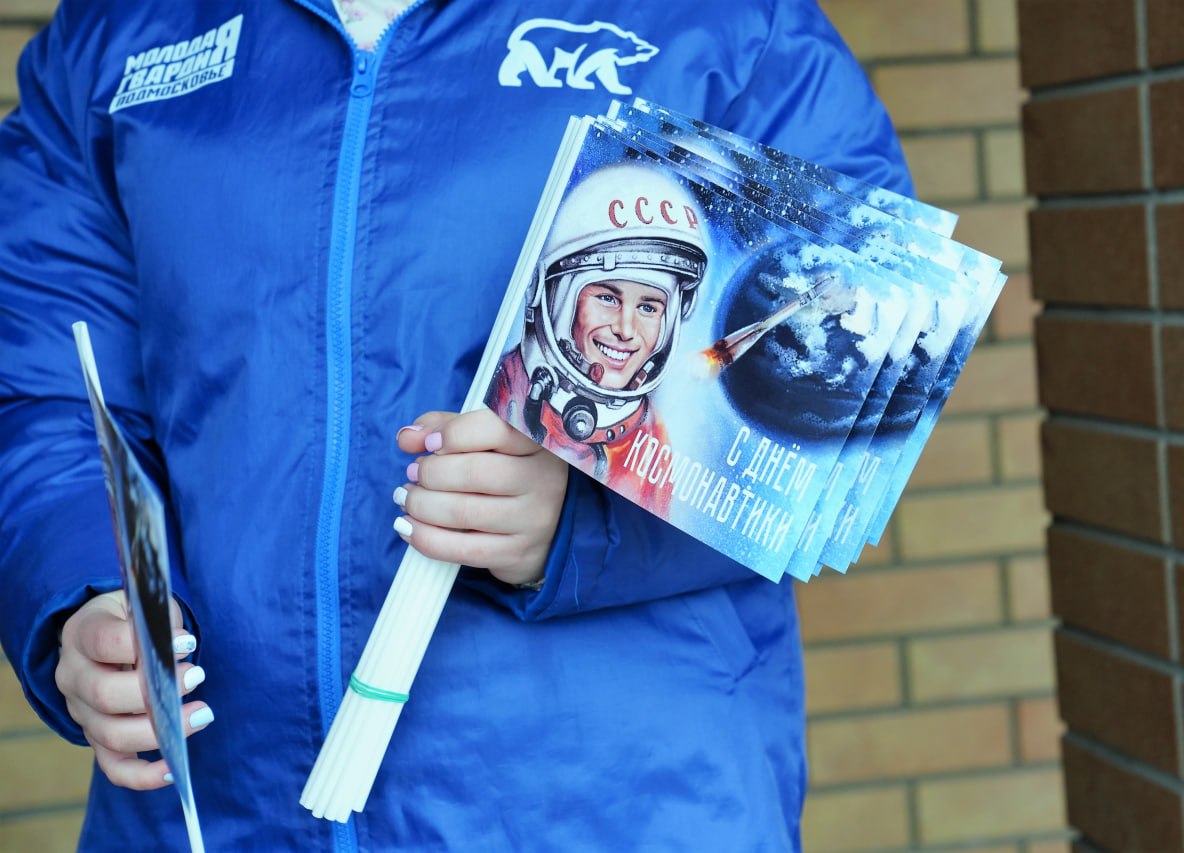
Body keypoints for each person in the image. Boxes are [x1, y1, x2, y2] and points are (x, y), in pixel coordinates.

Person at [0, 1, 913, 850]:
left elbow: (864, 366)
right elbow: (46, 388)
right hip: (223, 810)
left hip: (620, 807)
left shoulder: (725, 23)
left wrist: (590, 515)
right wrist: (82, 589)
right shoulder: (118, 31)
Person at [487, 161, 708, 514]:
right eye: (607, 298)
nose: (626, 329)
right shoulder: (504, 387)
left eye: (648, 307)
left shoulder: (651, 441)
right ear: (552, 297)